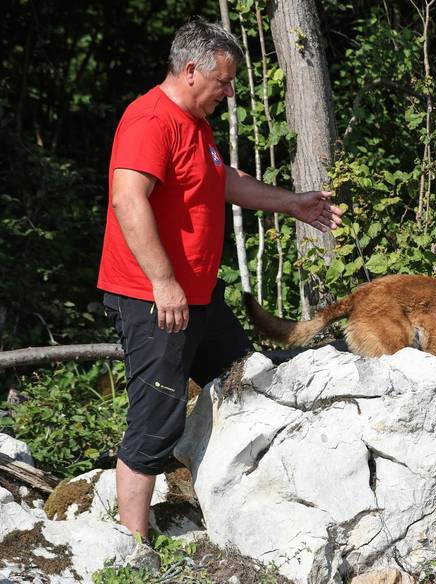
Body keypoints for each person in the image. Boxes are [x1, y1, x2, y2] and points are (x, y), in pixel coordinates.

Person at [97, 18, 343, 542]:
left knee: (245, 379)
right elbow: (127, 199)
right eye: (224, 82)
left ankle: (239, 502)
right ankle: (131, 551)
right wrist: (164, 283)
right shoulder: (149, 120)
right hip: (154, 300)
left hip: (199, 299)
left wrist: (293, 205)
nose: (229, 93)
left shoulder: (195, 124)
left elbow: (223, 180)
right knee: (156, 419)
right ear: (191, 70)